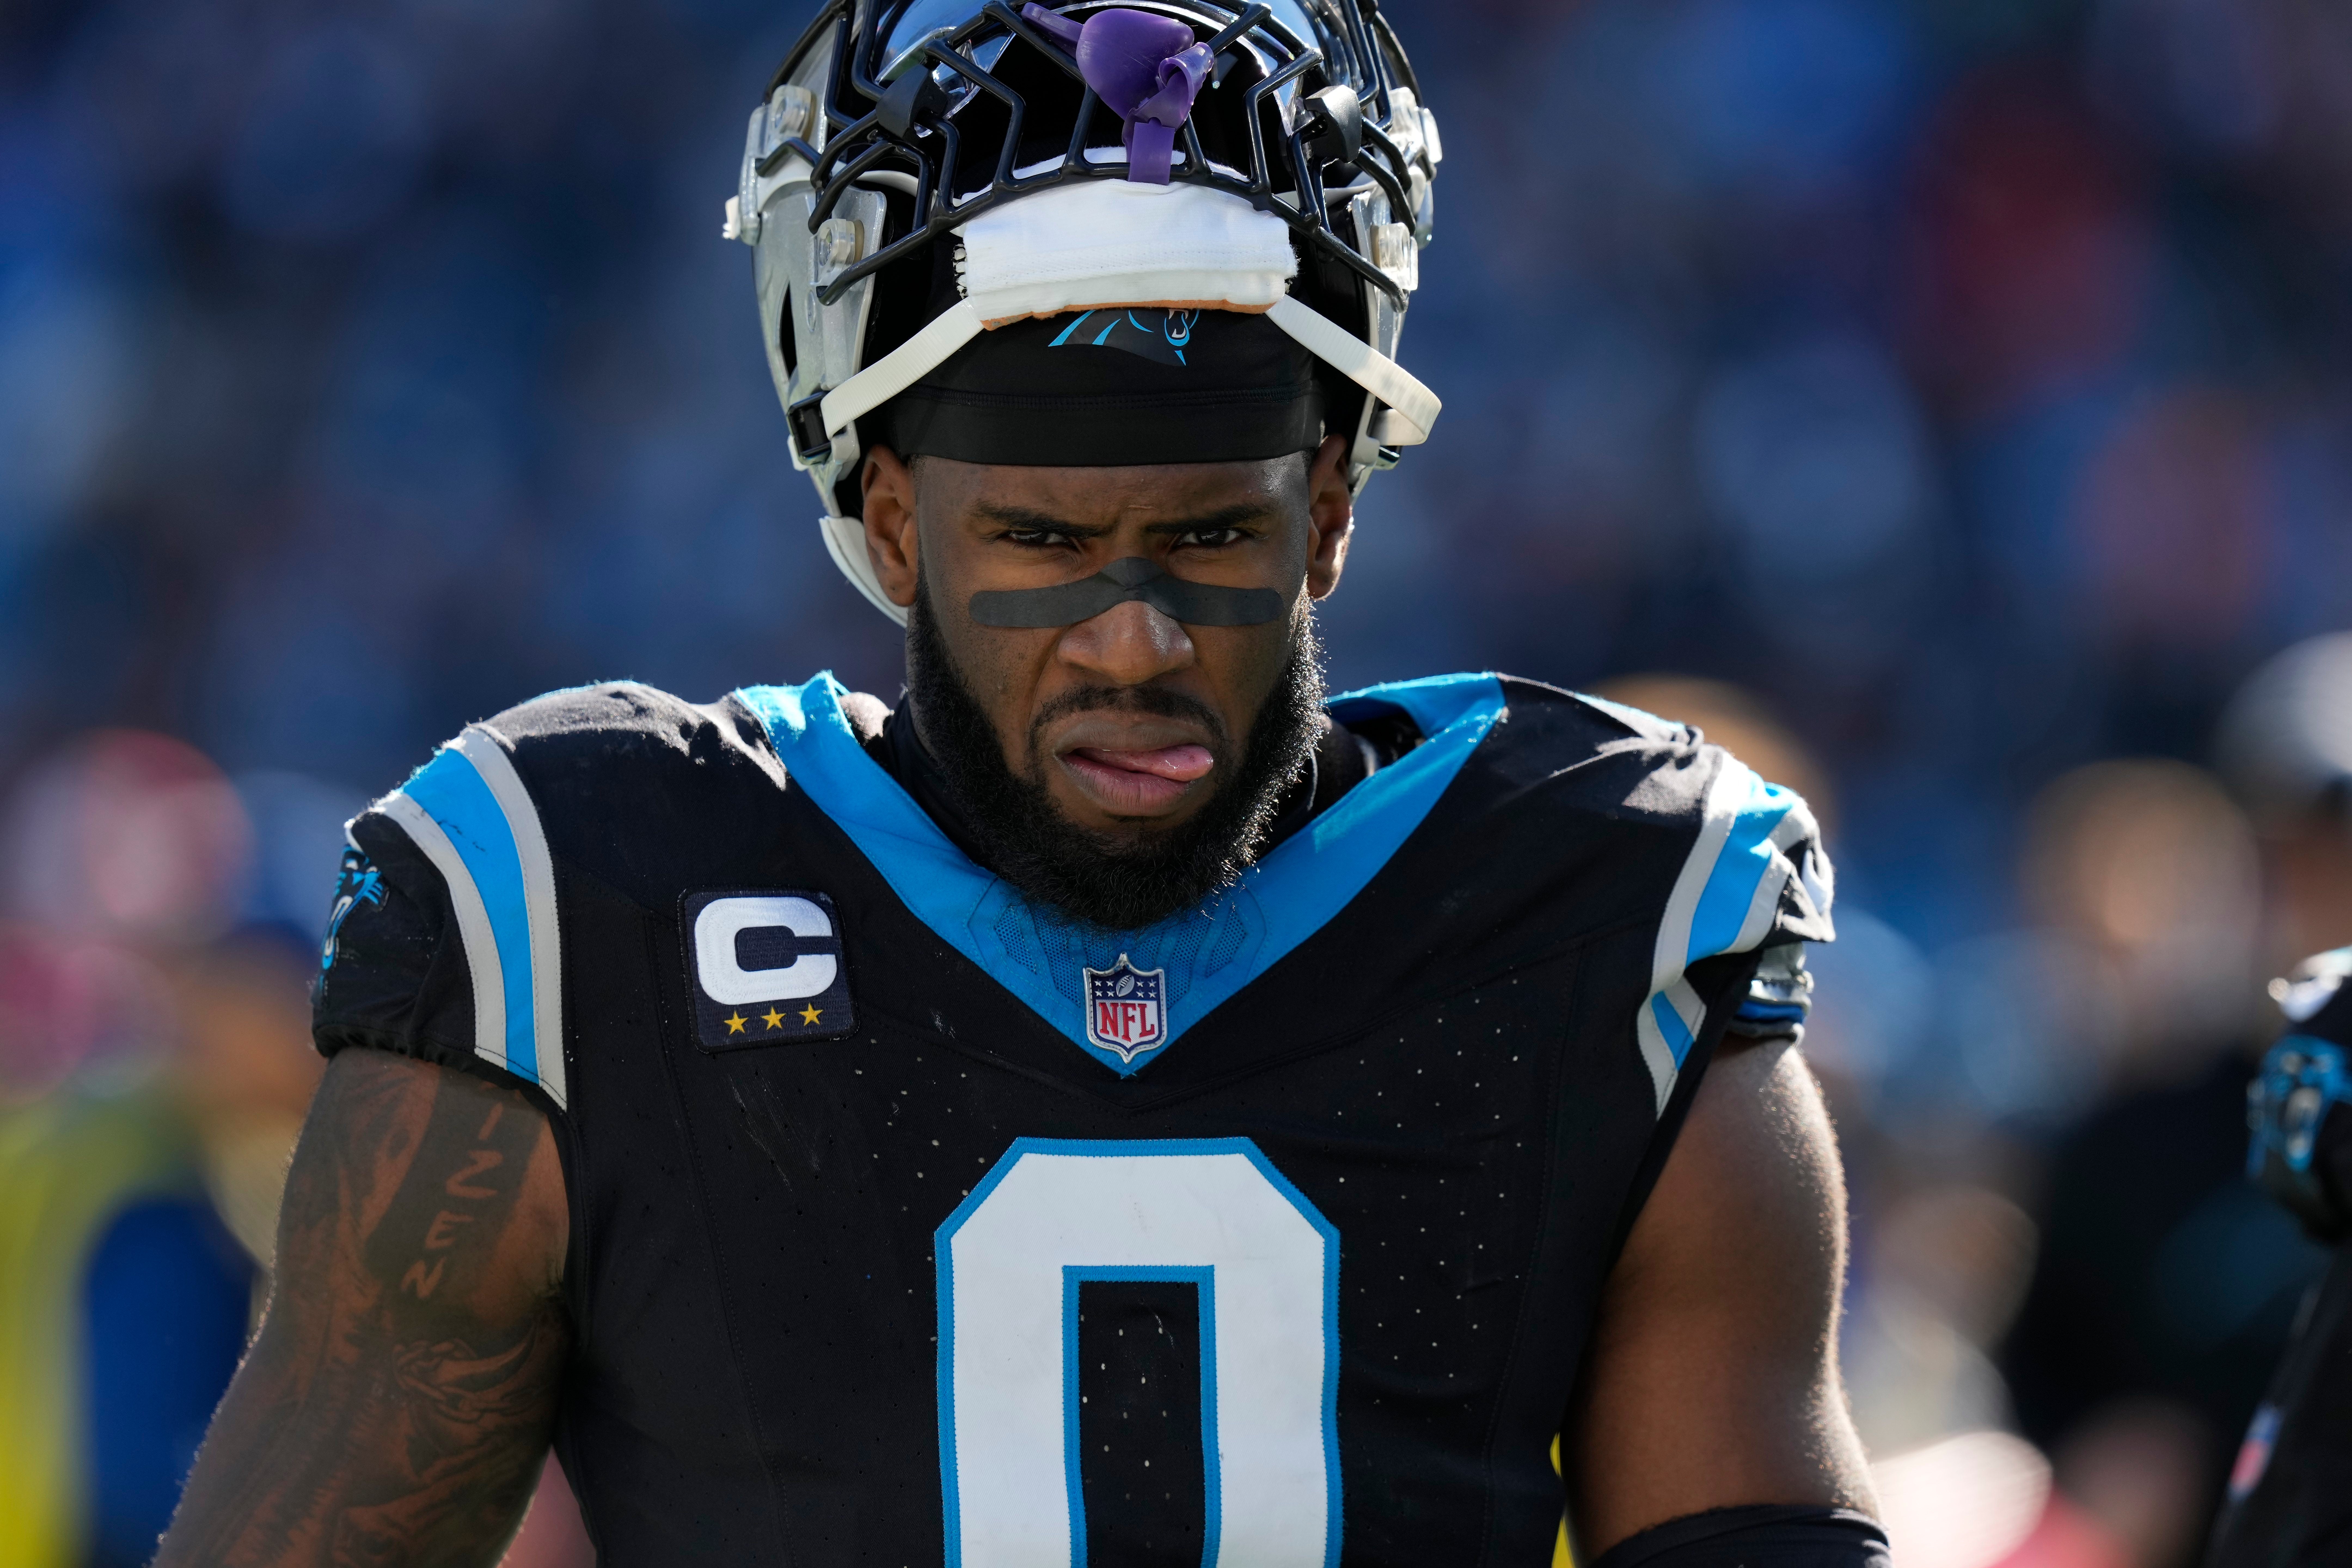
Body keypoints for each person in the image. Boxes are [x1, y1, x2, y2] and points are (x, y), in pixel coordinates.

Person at [156, 3, 1886, 1564]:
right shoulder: (585, 896)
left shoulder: (1590, 901)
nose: (1130, 639)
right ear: (895, 522)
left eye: (1212, 533)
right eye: (1044, 543)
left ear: (1334, 511)